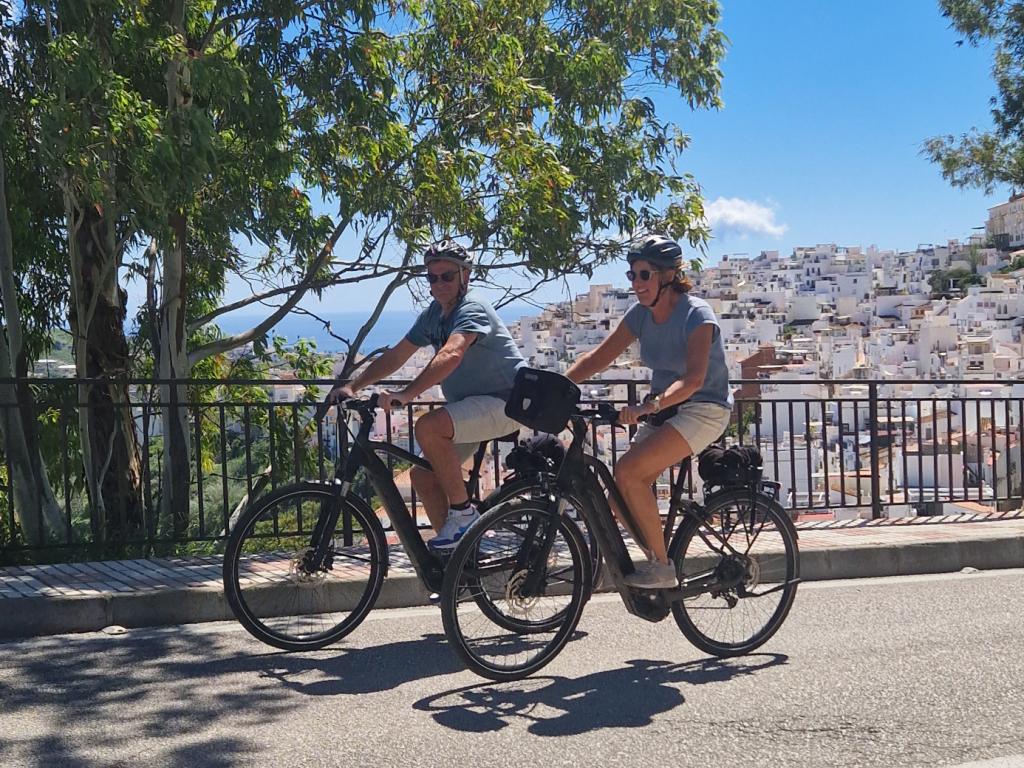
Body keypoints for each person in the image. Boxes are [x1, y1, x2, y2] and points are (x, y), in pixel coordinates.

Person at [326, 240, 526, 549]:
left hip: (506, 402)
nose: (439, 284)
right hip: (470, 407)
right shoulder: (433, 315)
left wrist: (406, 394)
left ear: (465, 276)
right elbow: (397, 355)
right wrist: (354, 386)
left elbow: (453, 353)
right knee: (422, 477)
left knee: (428, 426)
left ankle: (463, 516)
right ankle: (459, 556)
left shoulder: (473, 307)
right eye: (432, 278)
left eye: (447, 276)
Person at [566, 234, 733, 588]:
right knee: (616, 495)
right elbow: (598, 358)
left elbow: (692, 380)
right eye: (632, 275)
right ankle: (657, 555)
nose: (637, 284)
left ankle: (662, 568)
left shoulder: (697, 315)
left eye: (644, 275)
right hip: (664, 410)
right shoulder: (640, 315)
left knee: (628, 471)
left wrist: (648, 406)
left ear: (668, 275)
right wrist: (556, 385)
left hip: (703, 408)